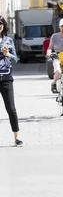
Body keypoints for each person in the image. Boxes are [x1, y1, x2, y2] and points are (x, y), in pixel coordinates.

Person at [0, 16, 23, 146]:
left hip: (6, 78)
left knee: (11, 108)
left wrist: (8, 54)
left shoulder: (8, 41)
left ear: (3, 26)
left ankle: (17, 136)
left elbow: (16, 59)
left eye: (0, 24)